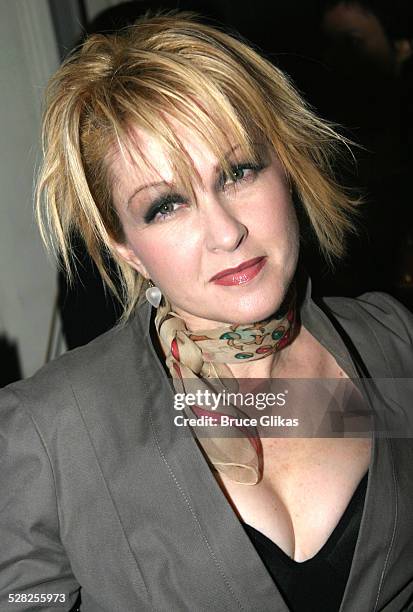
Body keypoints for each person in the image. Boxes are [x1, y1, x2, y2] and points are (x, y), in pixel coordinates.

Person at [1, 12, 413, 612]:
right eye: (166, 206)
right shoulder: (51, 432)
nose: (226, 232)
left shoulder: (392, 342)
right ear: (123, 246)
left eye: (239, 171)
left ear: (287, 166)